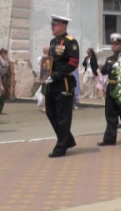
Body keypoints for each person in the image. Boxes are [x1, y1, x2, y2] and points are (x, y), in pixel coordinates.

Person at [44, 15, 79, 158]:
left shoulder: (71, 42)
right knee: (51, 113)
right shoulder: (53, 41)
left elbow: (73, 63)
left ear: (63, 26)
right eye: (52, 24)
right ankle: (68, 140)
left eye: (55, 24)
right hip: (51, 84)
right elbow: (50, 62)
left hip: (63, 83)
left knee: (63, 117)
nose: (52, 27)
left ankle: (61, 147)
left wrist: (56, 75)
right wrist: (45, 73)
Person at [98, 34, 121, 146]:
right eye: (113, 44)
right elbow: (104, 71)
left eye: (116, 44)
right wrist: (109, 68)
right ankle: (109, 139)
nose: (114, 46)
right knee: (110, 113)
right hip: (111, 87)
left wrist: (110, 69)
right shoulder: (109, 59)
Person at [36, 46, 51, 112]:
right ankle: (44, 107)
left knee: (46, 92)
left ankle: (46, 106)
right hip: (45, 77)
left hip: (48, 77)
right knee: (45, 92)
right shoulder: (42, 58)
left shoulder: (50, 58)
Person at [0, 48, 10, 114]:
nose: (4, 54)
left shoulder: (6, 60)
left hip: (5, 78)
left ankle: (0, 109)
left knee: (3, 94)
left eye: (5, 52)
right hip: (1, 77)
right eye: (3, 52)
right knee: (1, 93)